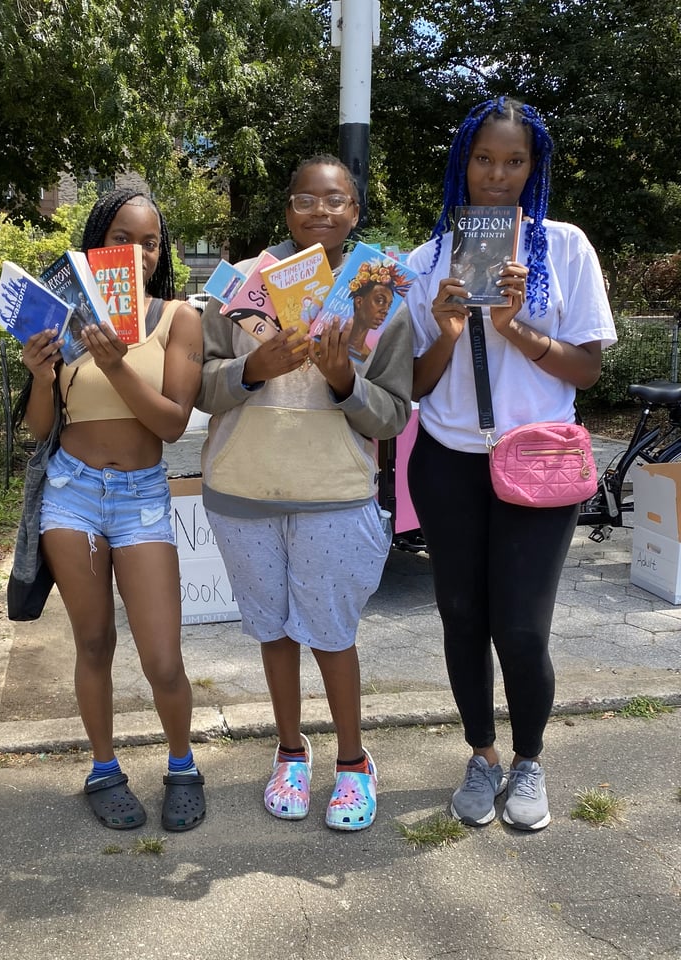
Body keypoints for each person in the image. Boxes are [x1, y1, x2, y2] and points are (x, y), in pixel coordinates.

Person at [403, 97, 617, 831]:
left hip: (539, 465)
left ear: (534, 168)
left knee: (521, 628)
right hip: (448, 460)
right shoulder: (425, 260)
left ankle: (529, 760)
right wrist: (446, 326)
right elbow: (414, 386)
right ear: (464, 160)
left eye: (514, 161)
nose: (498, 176)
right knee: (461, 616)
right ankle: (482, 754)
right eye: (485, 159)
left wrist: (513, 327)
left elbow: (586, 372)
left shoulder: (565, 248)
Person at [197, 155, 412, 831]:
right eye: (306, 200)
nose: (321, 212)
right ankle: (291, 751)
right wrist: (251, 370)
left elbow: (394, 415)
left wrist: (345, 378)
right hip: (244, 489)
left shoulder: (381, 293)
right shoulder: (237, 282)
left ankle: (353, 763)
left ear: (356, 211)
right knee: (273, 633)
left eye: (336, 200)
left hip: (336, 495)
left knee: (331, 636)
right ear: (286, 208)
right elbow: (198, 386)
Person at [14, 188, 205, 832]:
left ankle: (182, 764)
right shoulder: (65, 315)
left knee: (162, 657)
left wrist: (119, 366)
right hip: (72, 493)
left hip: (142, 497)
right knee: (93, 642)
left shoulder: (178, 318)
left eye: (149, 242)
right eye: (121, 238)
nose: (137, 252)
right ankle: (103, 767)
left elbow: (173, 424)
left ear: (161, 251)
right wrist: (41, 376)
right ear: (98, 244)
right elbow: (41, 429)